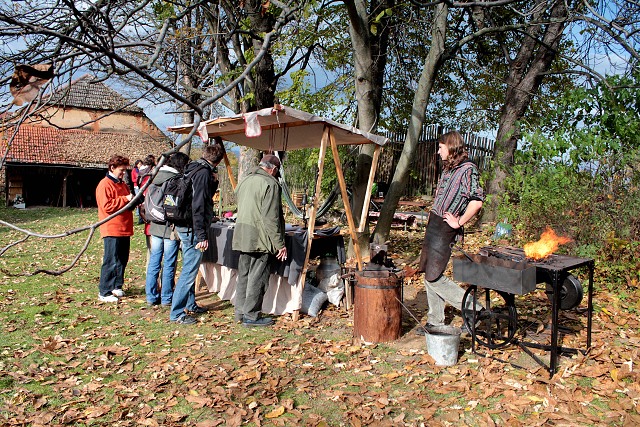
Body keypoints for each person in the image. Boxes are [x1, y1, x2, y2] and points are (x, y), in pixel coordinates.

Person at [416, 131, 484, 335]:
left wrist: (459, 222)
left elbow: (477, 201)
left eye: (441, 147)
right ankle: (435, 321)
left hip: (446, 229)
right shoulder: (448, 170)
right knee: (428, 271)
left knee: (434, 276)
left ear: (451, 147)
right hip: (434, 226)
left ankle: (475, 309)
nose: (438, 152)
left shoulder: (468, 170)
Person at [170, 144, 224, 324]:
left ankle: (190, 304)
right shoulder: (202, 173)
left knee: (189, 267)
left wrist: (214, 182)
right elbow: (199, 205)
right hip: (192, 227)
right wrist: (201, 236)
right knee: (189, 270)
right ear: (219, 161)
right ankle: (177, 313)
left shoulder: (192, 168)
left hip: (183, 224)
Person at [232, 154, 287, 327]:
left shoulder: (244, 180)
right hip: (260, 238)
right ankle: (251, 316)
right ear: (273, 169)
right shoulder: (270, 184)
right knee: (257, 278)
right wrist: (280, 244)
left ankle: (240, 312)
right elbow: (270, 218)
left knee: (244, 275)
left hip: (242, 233)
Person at [145, 152, 190, 307]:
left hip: (154, 225)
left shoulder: (154, 176)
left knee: (154, 262)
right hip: (170, 227)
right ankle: (166, 298)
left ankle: (151, 296)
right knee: (169, 263)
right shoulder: (175, 180)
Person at [96, 154, 134, 303]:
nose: (124, 173)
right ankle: (104, 291)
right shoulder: (104, 184)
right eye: (121, 170)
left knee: (122, 259)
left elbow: (126, 203)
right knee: (110, 260)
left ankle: (117, 285)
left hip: (124, 227)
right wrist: (125, 199)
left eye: (125, 170)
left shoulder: (122, 184)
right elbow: (106, 206)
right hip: (112, 228)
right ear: (112, 168)